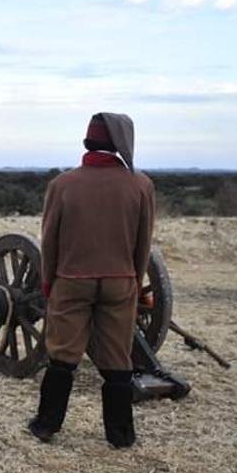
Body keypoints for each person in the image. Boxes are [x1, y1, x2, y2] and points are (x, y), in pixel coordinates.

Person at [31, 113, 155, 448]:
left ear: (89, 141)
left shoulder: (63, 185)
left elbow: (49, 240)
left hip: (71, 280)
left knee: (62, 355)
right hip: (121, 280)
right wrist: (134, 280)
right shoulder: (141, 185)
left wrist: (48, 283)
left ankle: (46, 425)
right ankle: (120, 435)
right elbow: (143, 243)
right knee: (118, 358)